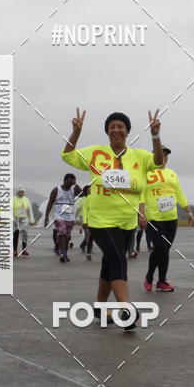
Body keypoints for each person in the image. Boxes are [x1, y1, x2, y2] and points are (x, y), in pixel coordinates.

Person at [61, 108, 164, 329]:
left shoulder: (139, 156)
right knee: (119, 261)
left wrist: (155, 136)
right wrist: (75, 133)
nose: (116, 129)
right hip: (100, 219)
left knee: (110, 264)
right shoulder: (95, 153)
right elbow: (67, 155)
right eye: (112, 127)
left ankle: (99, 307)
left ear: (127, 131)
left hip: (127, 221)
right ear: (107, 132)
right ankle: (125, 311)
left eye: (120, 126)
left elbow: (157, 161)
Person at [143, 147, 194, 292]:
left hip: (171, 217)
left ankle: (156, 280)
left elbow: (179, 193)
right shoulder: (147, 173)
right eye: (161, 154)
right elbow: (140, 193)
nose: (164, 156)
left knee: (164, 250)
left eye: (166, 154)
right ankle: (155, 279)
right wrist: (141, 213)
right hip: (154, 217)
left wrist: (188, 211)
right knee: (161, 248)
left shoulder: (172, 174)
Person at [44, 174, 82, 263]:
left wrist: (76, 185)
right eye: (72, 180)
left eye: (75, 180)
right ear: (66, 180)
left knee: (67, 236)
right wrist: (46, 217)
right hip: (59, 215)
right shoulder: (57, 190)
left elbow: (82, 195)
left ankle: (62, 250)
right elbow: (50, 203)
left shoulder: (74, 189)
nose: (73, 182)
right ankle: (63, 254)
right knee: (62, 233)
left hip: (70, 216)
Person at [13, 187, 34, 257]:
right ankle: (15, 250)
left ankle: (24, 250)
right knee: (16, 234)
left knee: (25, 234)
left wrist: (31, 219)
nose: (22, 193)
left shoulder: (26, 200)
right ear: (17, 192)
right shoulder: (13, 199)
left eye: (23, 192)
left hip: (24, 219)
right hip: (15, 219)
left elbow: (28, 210)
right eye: (20, 192)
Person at [75, 185, 93, 261]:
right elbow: (76, 210)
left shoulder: (93, 199)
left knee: (90, 234)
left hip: (92, 218)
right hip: (83, 217)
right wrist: (76, 219)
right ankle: (87, 247)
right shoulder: (81, 200)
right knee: (88, 233)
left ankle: (84, 244)